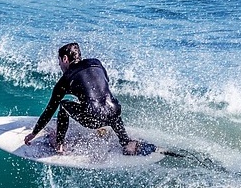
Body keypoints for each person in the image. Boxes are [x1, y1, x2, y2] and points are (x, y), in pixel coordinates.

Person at [23, 42, 154, 156]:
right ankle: (126, 142)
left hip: (92, 119)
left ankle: (59, 144)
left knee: (63, 105)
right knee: (106, 102)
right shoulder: (96, 63)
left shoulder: (66, 78)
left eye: (59, 61)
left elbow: (50, 110)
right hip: (114, 112)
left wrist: (34, 133)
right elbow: (103, 83)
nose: (59, 65)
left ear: (65, 59)